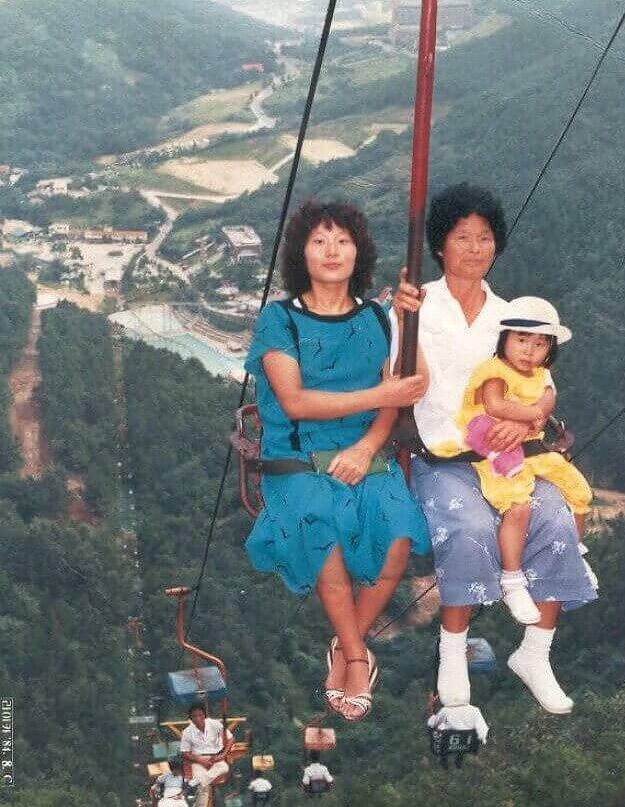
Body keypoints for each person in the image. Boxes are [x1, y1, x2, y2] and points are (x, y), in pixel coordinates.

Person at [392, 182, 598, 717]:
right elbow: (401, 380)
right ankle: (453, 651)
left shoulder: (511, 316)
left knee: (555, 517)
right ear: (441, 245)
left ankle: (536, 651)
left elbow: (534, 382)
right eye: (464, 237)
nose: (476, 248)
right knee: (469, 529)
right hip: (444, 453)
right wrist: (403, 318)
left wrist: (527, 421)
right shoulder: (416, 305)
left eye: (485, 238)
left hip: (509, 452)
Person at [244, 199, 430, 722]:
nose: (331, 251)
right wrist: (380, 396)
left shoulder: (376, 316)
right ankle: (354, 655)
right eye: (320, 240)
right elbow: (296, 400)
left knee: (397, 534)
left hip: (363, 449)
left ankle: (346, 642)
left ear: (358, 253)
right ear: (301, 253)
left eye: (342, 241)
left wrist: (368, 446)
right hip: (298, 455)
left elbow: (400, 393)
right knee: (320, 526)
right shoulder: (279, 320)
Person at [452, 296, 593, 624]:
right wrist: (533, 415)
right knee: (518, 505)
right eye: (521, 340)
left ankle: (573, 550)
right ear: (504, 340)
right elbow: (496, 405)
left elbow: (549, 396)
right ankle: (512, 578)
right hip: (494, 445)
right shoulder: (495, 371)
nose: (529, 350)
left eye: (540, 343)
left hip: (531, 447)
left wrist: (537, 415)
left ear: (549, 349)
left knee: (580, 493)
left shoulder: (541, 374)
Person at [180, 703, 232, 807]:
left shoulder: (215, 724)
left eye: (200, 715)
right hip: (198, 759)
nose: (197, 718)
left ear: (204, 715)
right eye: (194, 716)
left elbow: (230, 739)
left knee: (224, 767)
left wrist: (223, 755)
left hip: (216, 757)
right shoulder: (187, 732)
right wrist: (200, 760)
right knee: (203, 786)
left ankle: (190, 785)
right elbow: (185, 753)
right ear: (190, 718)